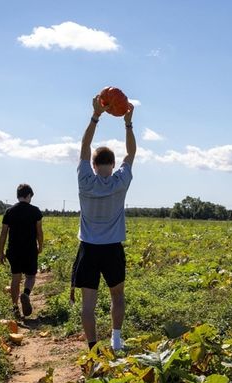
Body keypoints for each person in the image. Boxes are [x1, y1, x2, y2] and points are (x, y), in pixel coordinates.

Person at [70, 94, 136, 350]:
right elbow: (131, 152)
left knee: (88, 304)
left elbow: (84, 147)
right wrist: (128, 123)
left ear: (94, 165)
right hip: (112, 249)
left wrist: (96, 116)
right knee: (117, 296)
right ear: (113, 164)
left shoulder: (85, 181)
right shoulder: (121, 182)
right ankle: (116, 341)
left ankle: (92, 348)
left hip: (88, 249)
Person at [0, 184, 43, 317]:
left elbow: (3, 233)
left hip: (13, 250)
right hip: (30, 249)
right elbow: (39, 232)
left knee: (15, 277)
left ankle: (15, 307)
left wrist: (1, 252)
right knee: (30, 276)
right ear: (29, 195)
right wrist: (40, 246)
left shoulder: (9, 211)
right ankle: (26, 294)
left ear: (18, 196)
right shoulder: (35, 211)